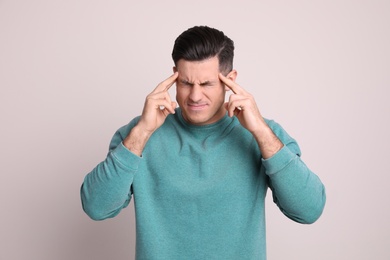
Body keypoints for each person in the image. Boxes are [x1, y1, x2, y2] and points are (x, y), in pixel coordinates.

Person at [80, 25, 326, 260]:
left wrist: (260, 131)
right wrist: (143, 131)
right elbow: (96, 207)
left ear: (230, 79)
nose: (195, 96)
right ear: (173, 77)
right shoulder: (138, 133)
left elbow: (308, 210)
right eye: (186, 83)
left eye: (207, 84)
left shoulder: (265, 134)